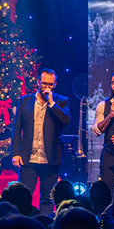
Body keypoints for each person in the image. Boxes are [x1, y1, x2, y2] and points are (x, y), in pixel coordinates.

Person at [11, 69, 71, 207]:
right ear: (38, 82)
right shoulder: (24, 101)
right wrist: (16, 153)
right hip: (28, 159)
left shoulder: (62, 101)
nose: (47, 87)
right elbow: (16, 130)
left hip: (50, 159)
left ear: (55, 84)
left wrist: (52, 103)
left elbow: (65, 121)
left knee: (47, 199)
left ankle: (46, 220)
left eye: (50, 84)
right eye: (44, 84)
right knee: (23, 198)